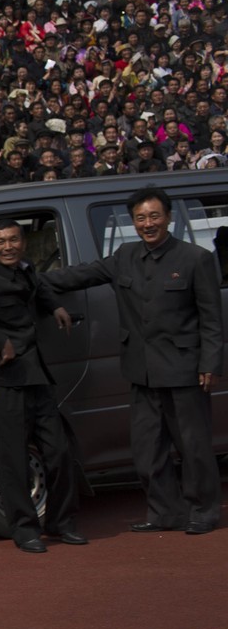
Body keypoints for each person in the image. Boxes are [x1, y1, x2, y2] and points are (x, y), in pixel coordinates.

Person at [45, 187, 223, 535]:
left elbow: (212, 319)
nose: (148, 224)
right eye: (140, 218)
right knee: (146, 450)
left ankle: (203, 511)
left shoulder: (194, 259)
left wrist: (210, 364)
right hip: (141, 371)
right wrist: (24, 281)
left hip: (185, 369)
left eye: (154, 216)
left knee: (194, 447)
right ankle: (164, 513)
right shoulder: (124, 255)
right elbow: (78, 274)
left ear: (168, 217)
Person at [0, 221, 84, 552]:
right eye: (1, 242)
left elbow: (38, 288)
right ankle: (24, 529)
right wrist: (0, 342)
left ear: (22, 244)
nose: (8, 247)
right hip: (4, 379)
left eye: (13, 240)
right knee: (12, 458)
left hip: (37, 376)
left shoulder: (26, 269)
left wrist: (55, 306)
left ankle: (61, 522)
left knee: (59, 451)